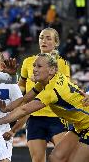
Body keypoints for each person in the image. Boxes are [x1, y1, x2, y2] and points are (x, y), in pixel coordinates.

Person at [0, 53, 89, 162]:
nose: (34, 69)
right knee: (56, 158)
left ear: (51, 70)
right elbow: (25, 98)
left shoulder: (51, 91)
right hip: (80, 125)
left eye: (39, 66)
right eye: (34, 65)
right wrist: (6, 108)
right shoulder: (48, 80)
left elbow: (24, 109)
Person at [17, 27, 70, 162]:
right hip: (34, 117)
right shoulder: (28, 62)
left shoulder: (62, 63)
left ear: (56, 42)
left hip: (56, 116)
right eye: (41, 37)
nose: (43, 41)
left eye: (48, 38)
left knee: (63, 158)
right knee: (38, 160)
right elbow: (21, 84)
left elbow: (65, 89)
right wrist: (18, 97)